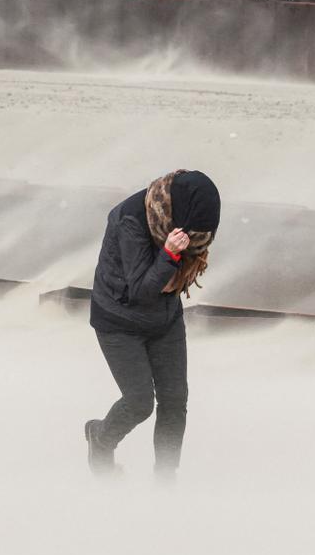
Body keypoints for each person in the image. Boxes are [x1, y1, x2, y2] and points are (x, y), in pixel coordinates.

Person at [85, 169, 220, 481]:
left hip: (165, 320)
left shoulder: (181, 223)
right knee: (139, 402)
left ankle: (165, 478)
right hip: (119, 321)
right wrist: (170, 253)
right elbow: (142, 291)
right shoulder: (130, 220)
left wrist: (179, 251)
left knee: (175, 400)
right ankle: (100, 438)